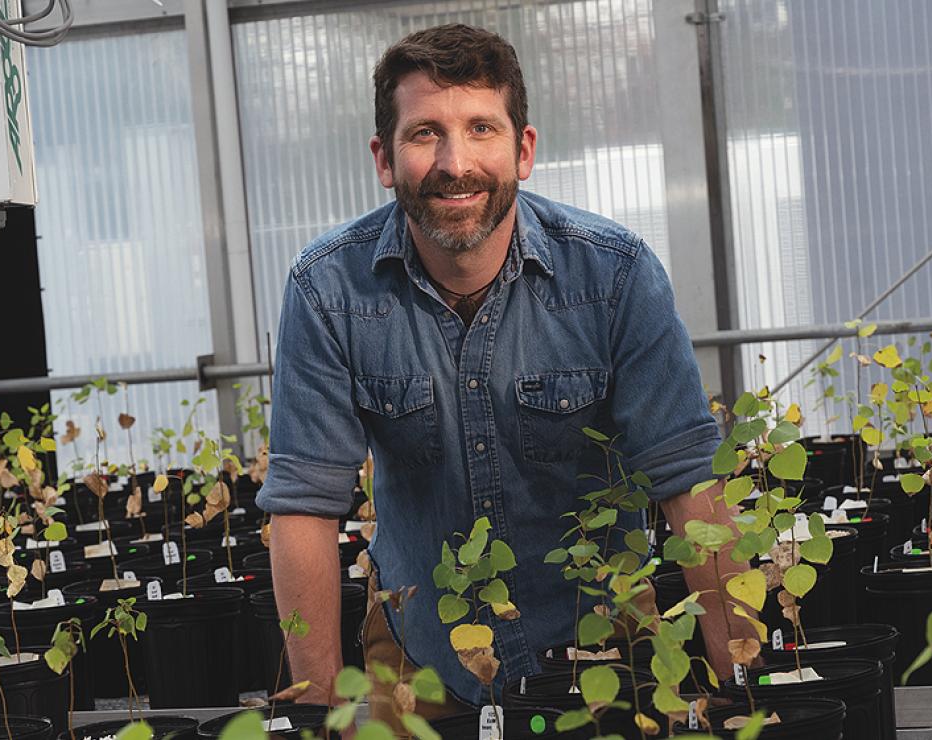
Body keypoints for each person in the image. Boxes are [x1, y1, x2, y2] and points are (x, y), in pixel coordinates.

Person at [257, 23, 749, 722]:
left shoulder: (613, 276)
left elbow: (688, 479)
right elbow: (304, 502)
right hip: (420, 658)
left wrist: (743, 682)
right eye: (426, 132)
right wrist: (317, 712)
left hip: (604, 652)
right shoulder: (328, 290)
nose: (456, 162)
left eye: (481, 128)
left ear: (523, 150)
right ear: (384, 158)